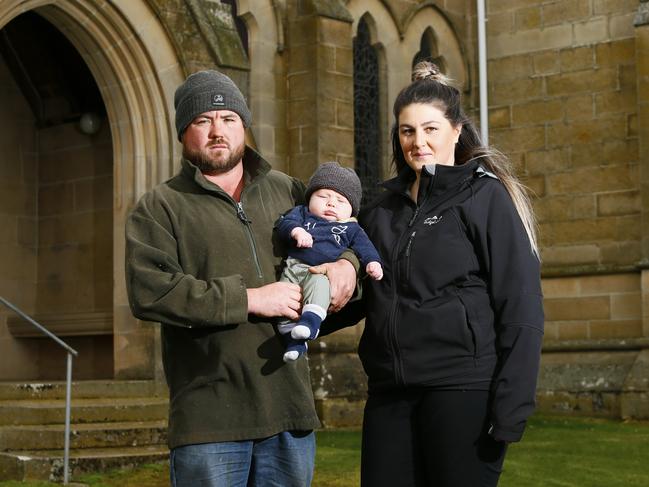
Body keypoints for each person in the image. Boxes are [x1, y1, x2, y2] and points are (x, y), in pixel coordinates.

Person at [124, 70, 358, 487]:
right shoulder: (160, 207)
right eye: (203, 120)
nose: (218, 131)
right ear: (184, 132)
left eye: (229, 118)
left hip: (288, 411)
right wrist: (248, 298)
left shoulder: (288, 191)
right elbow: (151, 292)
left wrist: (349, 266)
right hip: (209, 422)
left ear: (244, 126)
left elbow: (344, 236)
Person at [320, 61, 544, 487]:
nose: (418, 142)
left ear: (456, 132)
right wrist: (299, 312)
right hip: (390, 394)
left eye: (430, 129)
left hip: (462, 391)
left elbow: (520, 303)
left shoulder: (485, 198)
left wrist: (512, 405)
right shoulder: (381, 210)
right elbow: (364, 293)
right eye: (407, 131)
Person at [275, 162, 383, 362]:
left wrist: (372, 263)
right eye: (323, 196)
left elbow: (365, 248)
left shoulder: (351, 229)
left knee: (319, 288)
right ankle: (295, 344)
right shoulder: (302, 213)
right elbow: (284, 223)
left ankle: (311, 321)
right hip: (293, 267)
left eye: (340, 201)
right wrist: (296, 231)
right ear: (310, 199)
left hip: (320, 273)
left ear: (351, 210)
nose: (331, 203)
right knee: (283, 303)